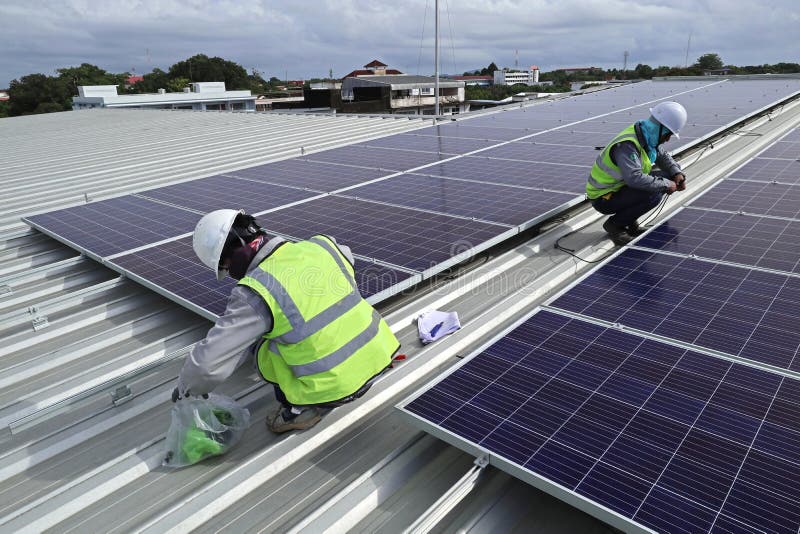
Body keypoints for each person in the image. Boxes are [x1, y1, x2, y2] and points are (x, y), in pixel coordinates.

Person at [173, 209, 400, 433]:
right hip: (380, 355)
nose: (230, 272)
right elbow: (346, 259)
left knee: (261, 344)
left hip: (335, 389)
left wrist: (186, 389)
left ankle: (301, 408)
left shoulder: (255, 292)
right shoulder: (322, 246)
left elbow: (207, 366)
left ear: (231, 257)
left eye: (225, 267)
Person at [587, 101, 688, 246]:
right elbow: (634, 179)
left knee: (665, 177)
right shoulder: (628, 144)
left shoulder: (646, 135)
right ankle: (615, 225)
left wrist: (676, 173)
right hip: (603, 197)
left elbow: (661, 155)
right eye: (667, 134)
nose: (667, 139)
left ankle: (629, 220)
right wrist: (667, 184)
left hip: (618, 190)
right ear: (659, 128)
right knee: (654, 193)